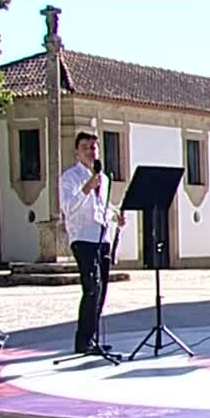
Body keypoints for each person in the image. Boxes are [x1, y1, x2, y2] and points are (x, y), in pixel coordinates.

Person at [59, 131, 125, 354]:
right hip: (83, 238)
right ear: (77, 151)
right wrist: (86, 188)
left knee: (102, 289)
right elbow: (68, 207)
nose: (91, 151)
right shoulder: (70, 178)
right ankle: (83, 341)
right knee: (91, 288)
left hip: (101, 238)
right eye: (86, 147)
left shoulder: (104, 179)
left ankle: (94, 339)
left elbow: (101, 208)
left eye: (94, 147)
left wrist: (115, 215)